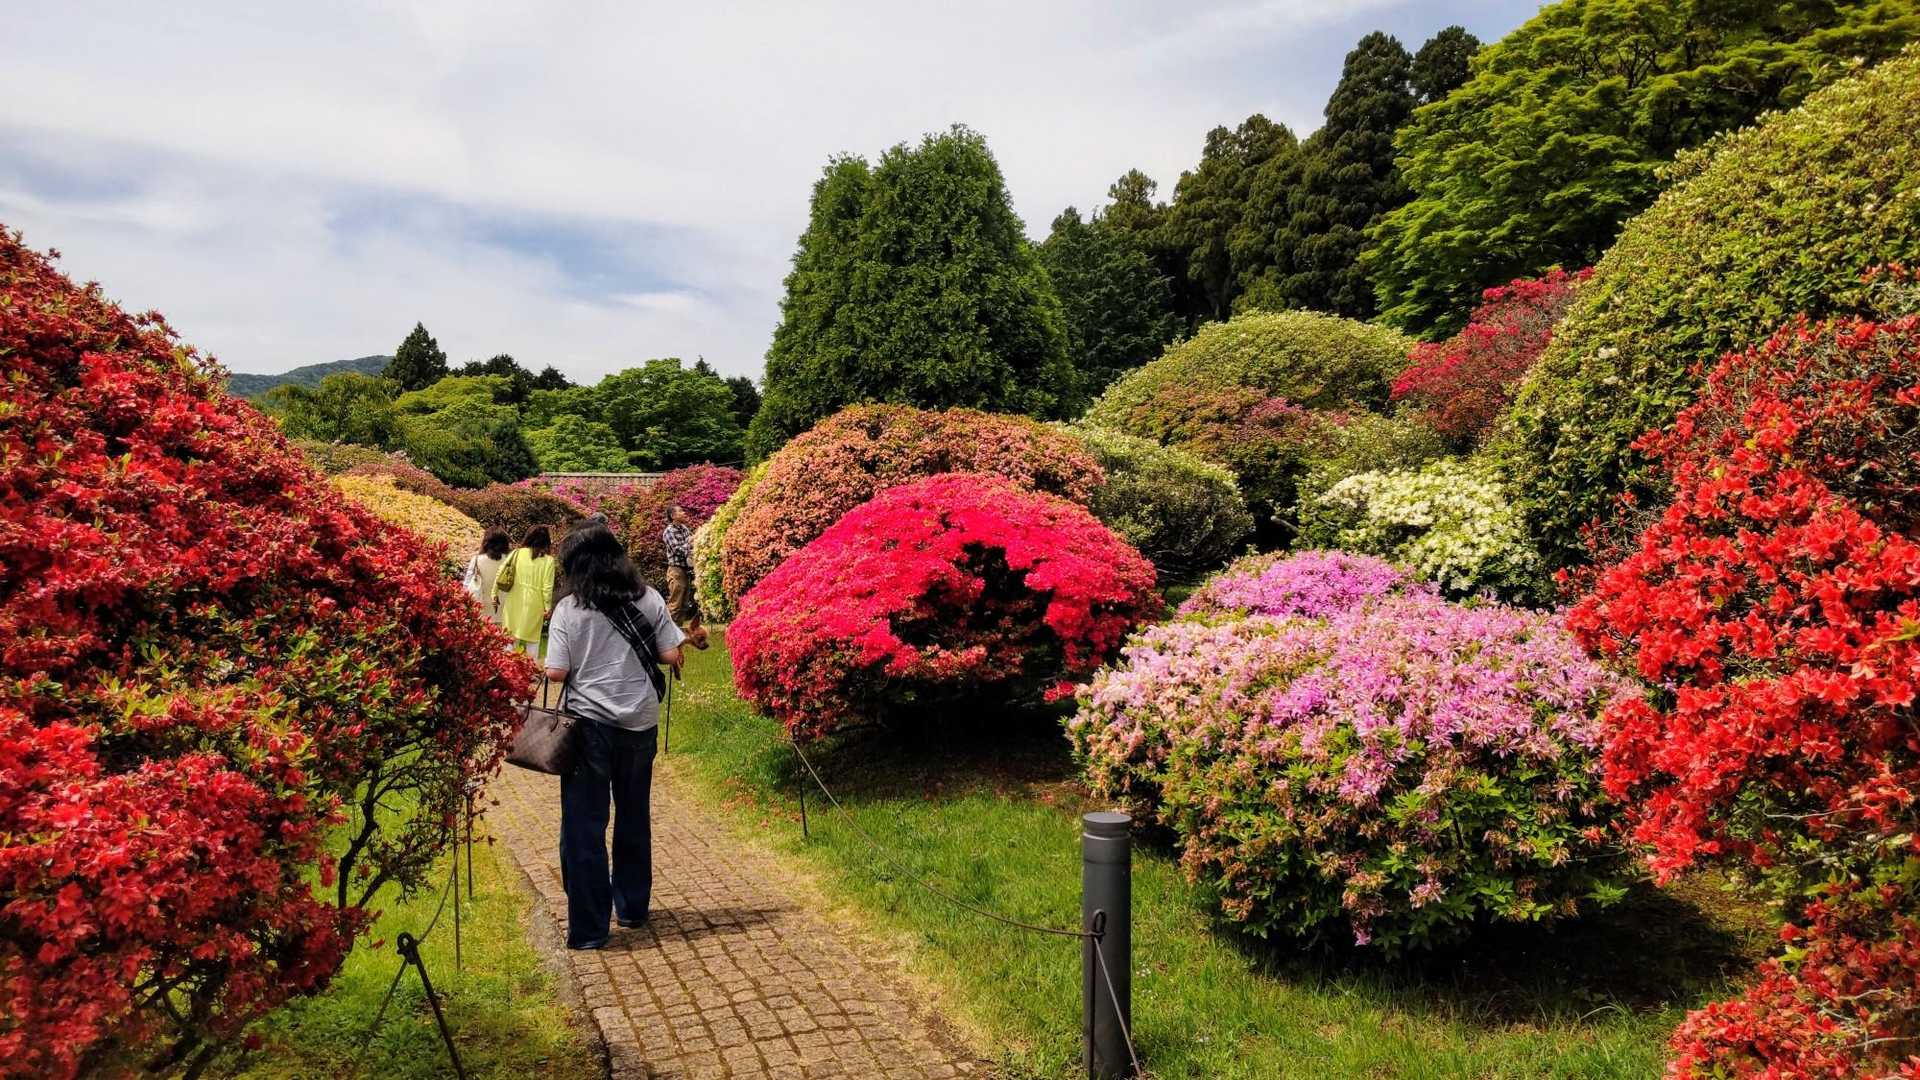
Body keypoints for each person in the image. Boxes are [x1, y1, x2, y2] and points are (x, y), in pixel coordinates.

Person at [543, 524, 685, 950]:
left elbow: (556, 672)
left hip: (588, 726)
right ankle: (632, 907)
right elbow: (668, 653)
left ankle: (589, 929)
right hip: (639, 722)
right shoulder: (649, 598)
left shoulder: (569, 609)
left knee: (584, 825)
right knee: (633, 814)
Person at [496, 525, 556, 658]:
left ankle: (507, 666)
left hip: (513, 600)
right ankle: (531, 668)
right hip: (535, 604)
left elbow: (500, 572)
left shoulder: (516, 553)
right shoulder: (549, 561)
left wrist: (494, 593)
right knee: (533, 641)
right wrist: (547, 607)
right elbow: (547, 587)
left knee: (509, 638)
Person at [660, 505, 709, 649]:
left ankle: (677, 642)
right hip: (676, 571)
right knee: (675, 605)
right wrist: (690, 542)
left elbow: (691, 546)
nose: (683, 512)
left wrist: (692, 543)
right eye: (680, 511)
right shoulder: (669, 532)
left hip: (685, 570)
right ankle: (666, 638)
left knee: (683, 606)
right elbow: (678, 550)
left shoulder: (684, 529)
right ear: (673, 516)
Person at [462, 528, 512, 626]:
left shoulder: (477, 560)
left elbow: (466, 585)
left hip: (481, 609)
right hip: (502, 610)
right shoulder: (509, 561)